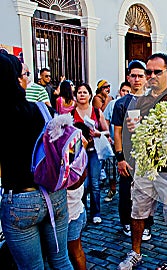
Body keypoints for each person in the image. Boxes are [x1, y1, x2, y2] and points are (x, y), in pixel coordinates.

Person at [0, 52, 73, 269]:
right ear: (18, 79)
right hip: (54, 193)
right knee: (61, 261)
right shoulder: (43, 110)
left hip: (20, 199)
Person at [118, 53, 167, 269]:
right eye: (149, 71)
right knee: (137, 210)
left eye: (157, 71)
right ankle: (135, 252)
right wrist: (134, 131)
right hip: (146, 166)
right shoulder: (141, 100)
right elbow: (133, 132)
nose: (152, 76)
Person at [112, 60, 154, 239]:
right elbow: (117, 133)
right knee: (126, 192)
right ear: (128, 77)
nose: (137, 79)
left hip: (148, 156)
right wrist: (120, 157)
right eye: (134, 75)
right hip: (128, 157)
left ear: (146, 78)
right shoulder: (121, 103)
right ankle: (127, 223)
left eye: (140, 76)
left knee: (148, 192)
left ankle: (146, 225)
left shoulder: (153, 101)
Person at [72, 83, 109, 224]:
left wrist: (99, 133)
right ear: (76, 96)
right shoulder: (70, 113)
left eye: (84, 92)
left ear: (90, 95)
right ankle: (81, 212)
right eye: (79, 92)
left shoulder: (96, 111)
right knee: (81, 183)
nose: (82, 95)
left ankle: (96, 212)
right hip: (77, 153)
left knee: (94, 183)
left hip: (94, 151)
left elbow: (107, 132)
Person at [102, 82, 131, 203]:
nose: (125, 93)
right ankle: (112, 189)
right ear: (120, 91)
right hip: (113, 141)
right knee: (111, 169)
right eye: (123, 90)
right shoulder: (113, 104)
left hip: (127, 145)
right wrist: (108, 136)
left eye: (127, 91)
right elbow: (106, 120)